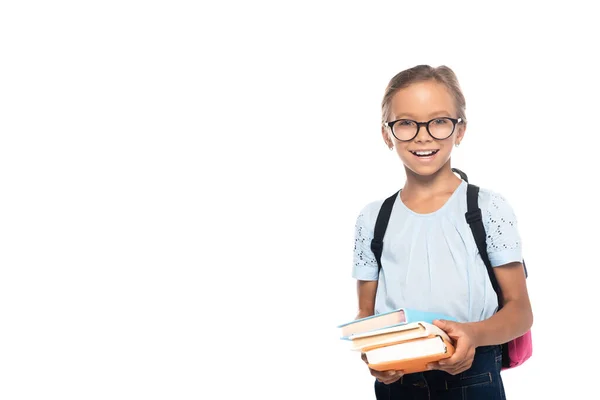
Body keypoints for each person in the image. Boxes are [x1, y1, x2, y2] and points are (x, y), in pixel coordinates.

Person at [352, 65, 533, 399]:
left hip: (475, 378)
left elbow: (520, 311)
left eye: (438, 121)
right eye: (406, 123)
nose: (423, 135)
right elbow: (366, 314)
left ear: (459, 130)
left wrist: (473, 335)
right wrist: (372, 355)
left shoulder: (489, 209)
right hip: (399, 383)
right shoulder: (372, 218)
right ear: (386, 134)